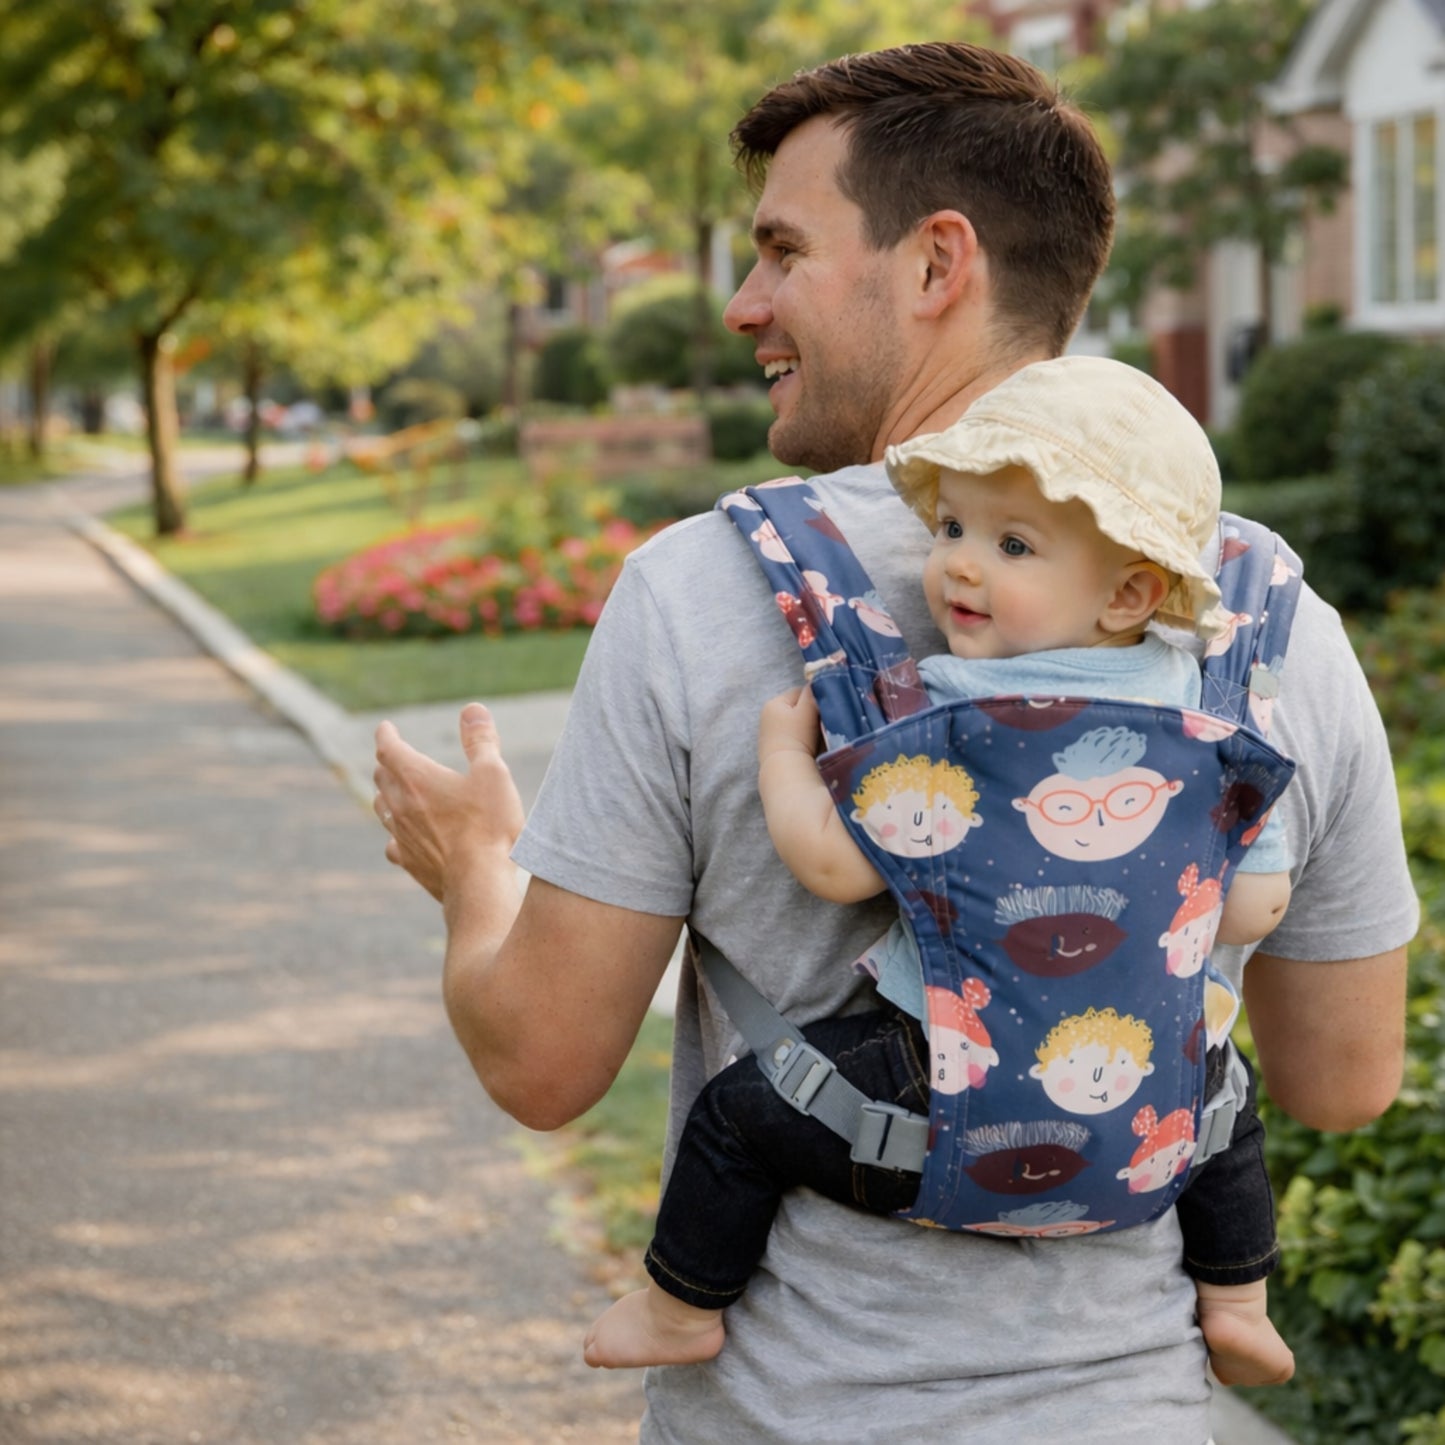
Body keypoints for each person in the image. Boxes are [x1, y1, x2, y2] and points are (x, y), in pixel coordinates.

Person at [372, 42, 1416, 1444]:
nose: (744, 302)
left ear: (936, 265)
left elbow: (543, 1065)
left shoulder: (702, 589)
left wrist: (474, 874)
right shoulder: (1270, 619)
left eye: (783, 250)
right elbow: (1343, 1085)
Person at [580, 355, 1296, 1387]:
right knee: (1225, 1095)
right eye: (950, 528)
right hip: (1151, 1105)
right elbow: (1255, 903)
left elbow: (834, 865)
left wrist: (786, 753)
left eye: (1009, 543)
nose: (957, 565)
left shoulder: (941, 709)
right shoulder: (1207, 721)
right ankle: (1237, 1299)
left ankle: (681, 1301)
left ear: (1130, 590)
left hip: (938, 1088)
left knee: (743, 1114)